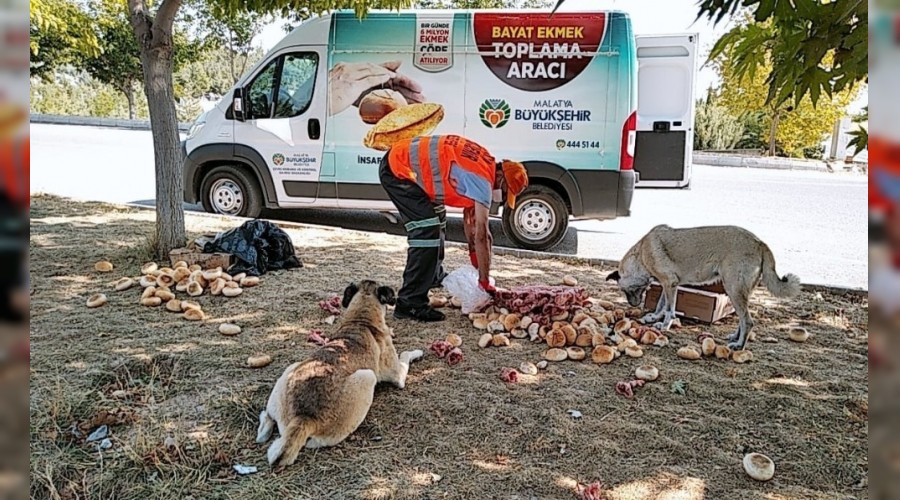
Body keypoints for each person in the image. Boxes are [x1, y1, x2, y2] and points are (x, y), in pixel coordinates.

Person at [379, 134, 528, 322]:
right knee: (427, 229)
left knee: (438, 216)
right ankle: (410, 303)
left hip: (402, 159)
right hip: (399, 171)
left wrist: (476, 264)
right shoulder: (482, 181)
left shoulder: (484, 162)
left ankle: (432, 275)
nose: (502, 197)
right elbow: (483, 235)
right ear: (501, 177)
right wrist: (484, 282)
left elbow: (470, 225)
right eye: (505, 191)